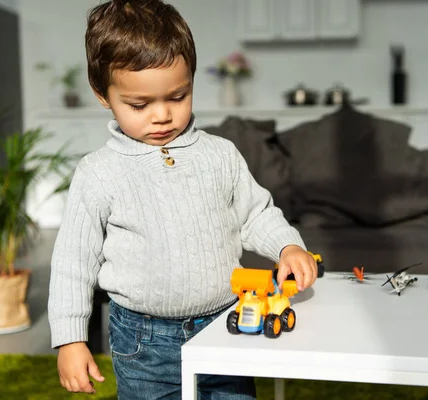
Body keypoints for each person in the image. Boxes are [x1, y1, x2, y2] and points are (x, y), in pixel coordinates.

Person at [47, 1, 318, 398]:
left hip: (227, 324)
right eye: (139, 105)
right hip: (143, 341)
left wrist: (288, 244)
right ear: (103, 94)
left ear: (191, 79)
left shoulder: (220, 154)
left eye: (178, 96)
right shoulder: (98, 172)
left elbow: (255, 213)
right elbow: (73, 262)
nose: (161, 115)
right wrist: (70, 339)